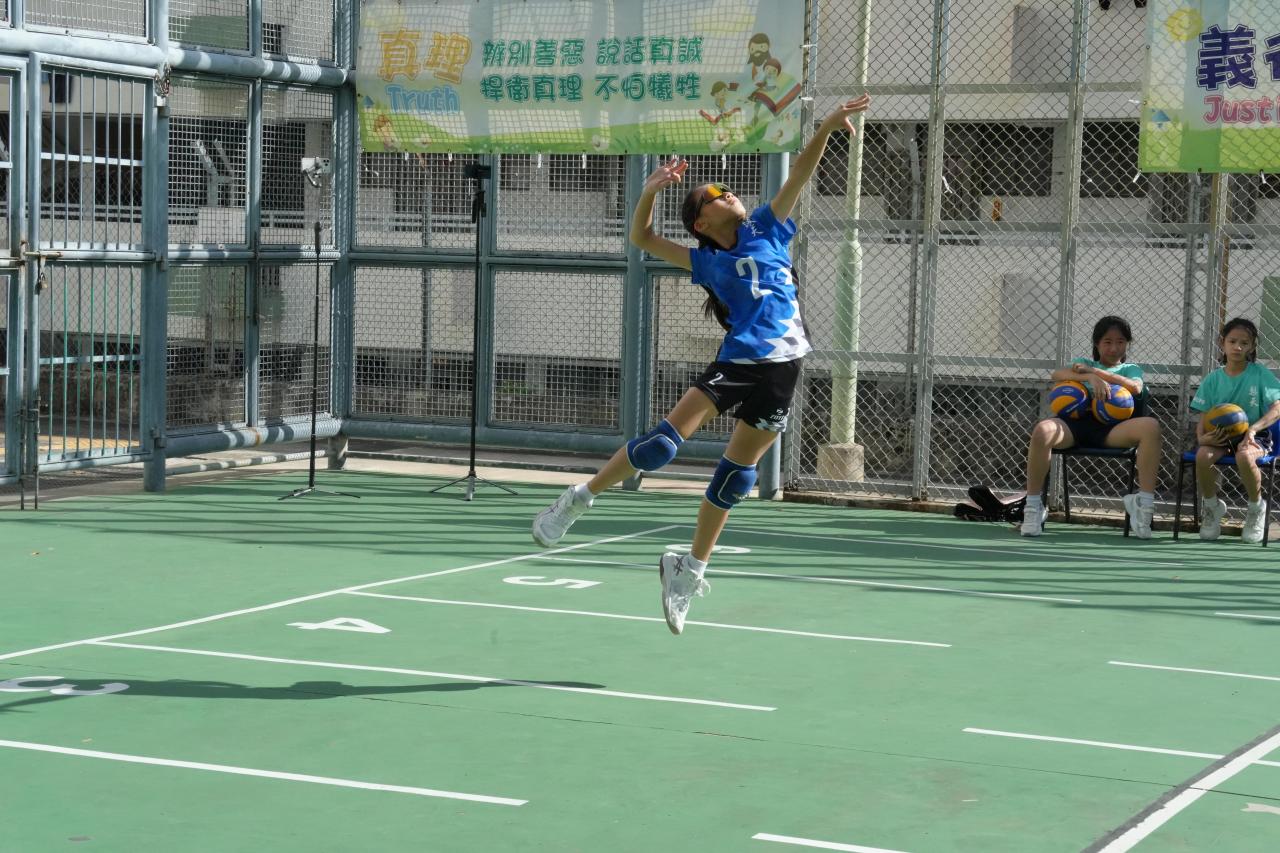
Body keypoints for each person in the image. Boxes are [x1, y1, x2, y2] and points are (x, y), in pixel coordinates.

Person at [532, 95, 873, 635]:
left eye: (727, 189)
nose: (728, 193)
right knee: (660, 447)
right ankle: (578, 500)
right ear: (701, 221)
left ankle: (688, 570)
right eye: (715, 194)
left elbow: (800, 174)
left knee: (736, 478)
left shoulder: (767, 227)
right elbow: (641, 238)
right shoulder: (704, 260)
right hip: (738, 362)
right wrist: (649, 191)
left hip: (785, 368)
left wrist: (828, 126)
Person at [1021, 316, 1162, 538]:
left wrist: (1097, 374)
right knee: (1042, 430)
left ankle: (1143, 506)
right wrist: (1088, 375)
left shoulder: (1131, 369)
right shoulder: (1083, 363)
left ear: (1127, 344)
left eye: (1120, 342)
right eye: (1107, 342)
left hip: (1112, 430)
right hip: (1074, 427)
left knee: (1151, 426)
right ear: (1097, 344)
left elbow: (1135, 388)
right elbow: (1057, 375)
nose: (1114, 348)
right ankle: (1033, 506)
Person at [1189, 317, 1280, 543]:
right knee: (1203, 455)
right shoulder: (1213, 379)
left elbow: (1277, 407)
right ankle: (1212, 507)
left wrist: (1253, 429)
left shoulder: (1260, 374)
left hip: (1255, 435)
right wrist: (1202, 438)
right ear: (1222, 343)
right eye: (1232, 341)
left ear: (1252, 347)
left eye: (1244, 343)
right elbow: (1204, 416)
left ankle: (1256, 507)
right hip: (1221, 435)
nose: (1238, 347)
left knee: (1244, 455)